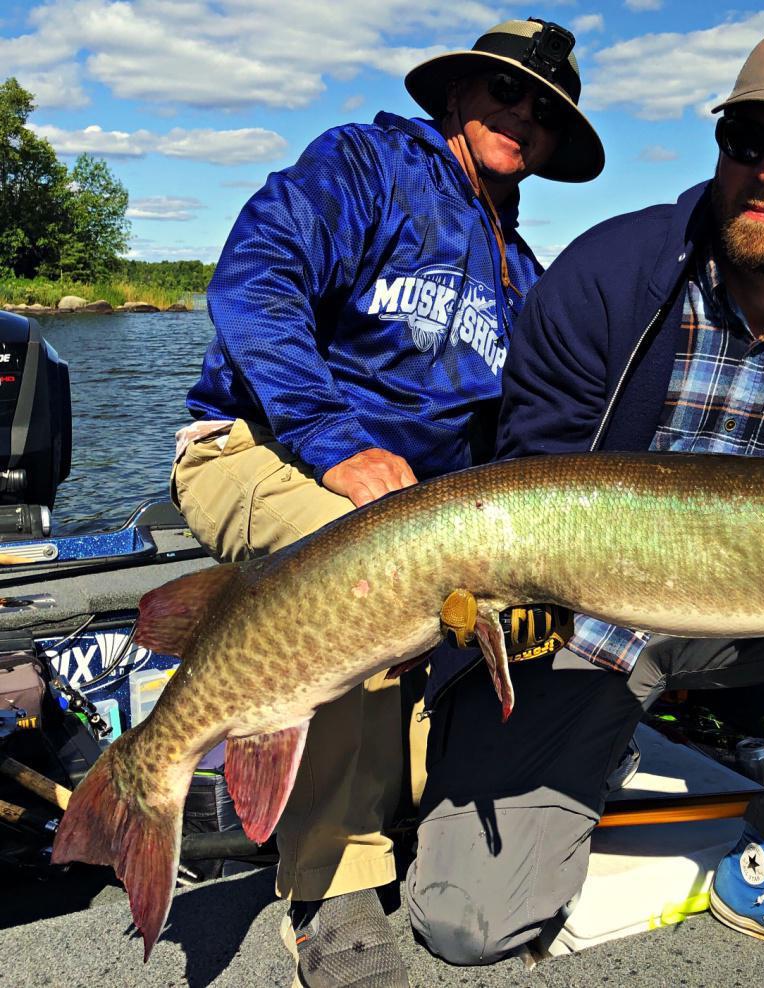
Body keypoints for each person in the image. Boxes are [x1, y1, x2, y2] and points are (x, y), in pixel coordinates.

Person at [409, 22, 764, 988]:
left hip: (758, 616)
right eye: (745, 139)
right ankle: (588, 747)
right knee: (466, 925)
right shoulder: (604, 274)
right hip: (584, 620)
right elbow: (535, 480)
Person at [170, 18, 603, 988]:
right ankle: (334, 881)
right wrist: (334, 439)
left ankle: (421, 795)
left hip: (416, 515)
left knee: (462, 594)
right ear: (457, 95)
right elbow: (255, 276)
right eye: (504, 89)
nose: (520, 114)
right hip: (256, 451)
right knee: (375, 565)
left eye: (543, 108)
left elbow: (519, 442)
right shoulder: (365, 169)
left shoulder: (521, 281)